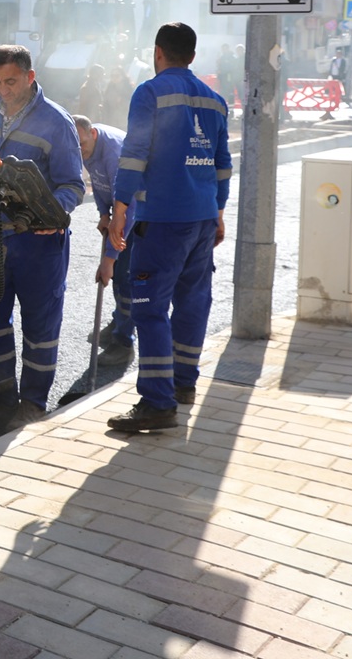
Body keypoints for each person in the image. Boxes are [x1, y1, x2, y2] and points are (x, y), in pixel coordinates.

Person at [105, 23, 231, 434]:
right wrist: (219, 210)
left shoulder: (150, 93)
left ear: (157, 52)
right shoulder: (215, 101)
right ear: (192, 56)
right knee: (193, 303)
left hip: (162, 219)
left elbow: (135, 152)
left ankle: (158, 403)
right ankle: (184, 385)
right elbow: (223, 163)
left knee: (149, 308)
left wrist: (120, 205)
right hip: (201, 219)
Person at [0, 45, 84, 428]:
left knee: (39, 325)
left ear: (30, 77)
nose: (3, 90)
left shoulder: (56, 122)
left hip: (37, 243)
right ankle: (2, 394)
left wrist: (56, 212)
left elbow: (72, 185)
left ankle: (33, 401)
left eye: (11, 81)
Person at [74, 115, 134, 368]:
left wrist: (109, 259)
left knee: (125, 276)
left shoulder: (113, 152)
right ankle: (119, 321)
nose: (80, 152)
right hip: (121, 212)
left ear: (93, 134)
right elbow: (99, 184)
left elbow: (128, 208)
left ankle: (124, 342)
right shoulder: (87, 147)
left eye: (82, 145)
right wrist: (103, 213)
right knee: (120, 274)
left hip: (139, 215)